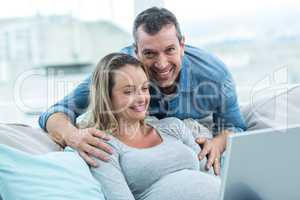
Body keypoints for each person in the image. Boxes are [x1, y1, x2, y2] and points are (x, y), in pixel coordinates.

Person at [39, 7, 246, 175]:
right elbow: (55, 111)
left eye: (170, 50)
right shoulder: (117, 71)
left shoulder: (214, 74)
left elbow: (235, 126)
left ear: (182, 45)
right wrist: (72, 135)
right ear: (135, 51)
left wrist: (218, 143)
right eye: (149, 53)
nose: (161, 64)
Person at [84, 52, 220, 200]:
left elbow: (212, 175)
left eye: (144, 88)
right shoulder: (102, 146)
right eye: (129, 91)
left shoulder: (173, 127)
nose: (141, 98)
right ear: (106, 97)